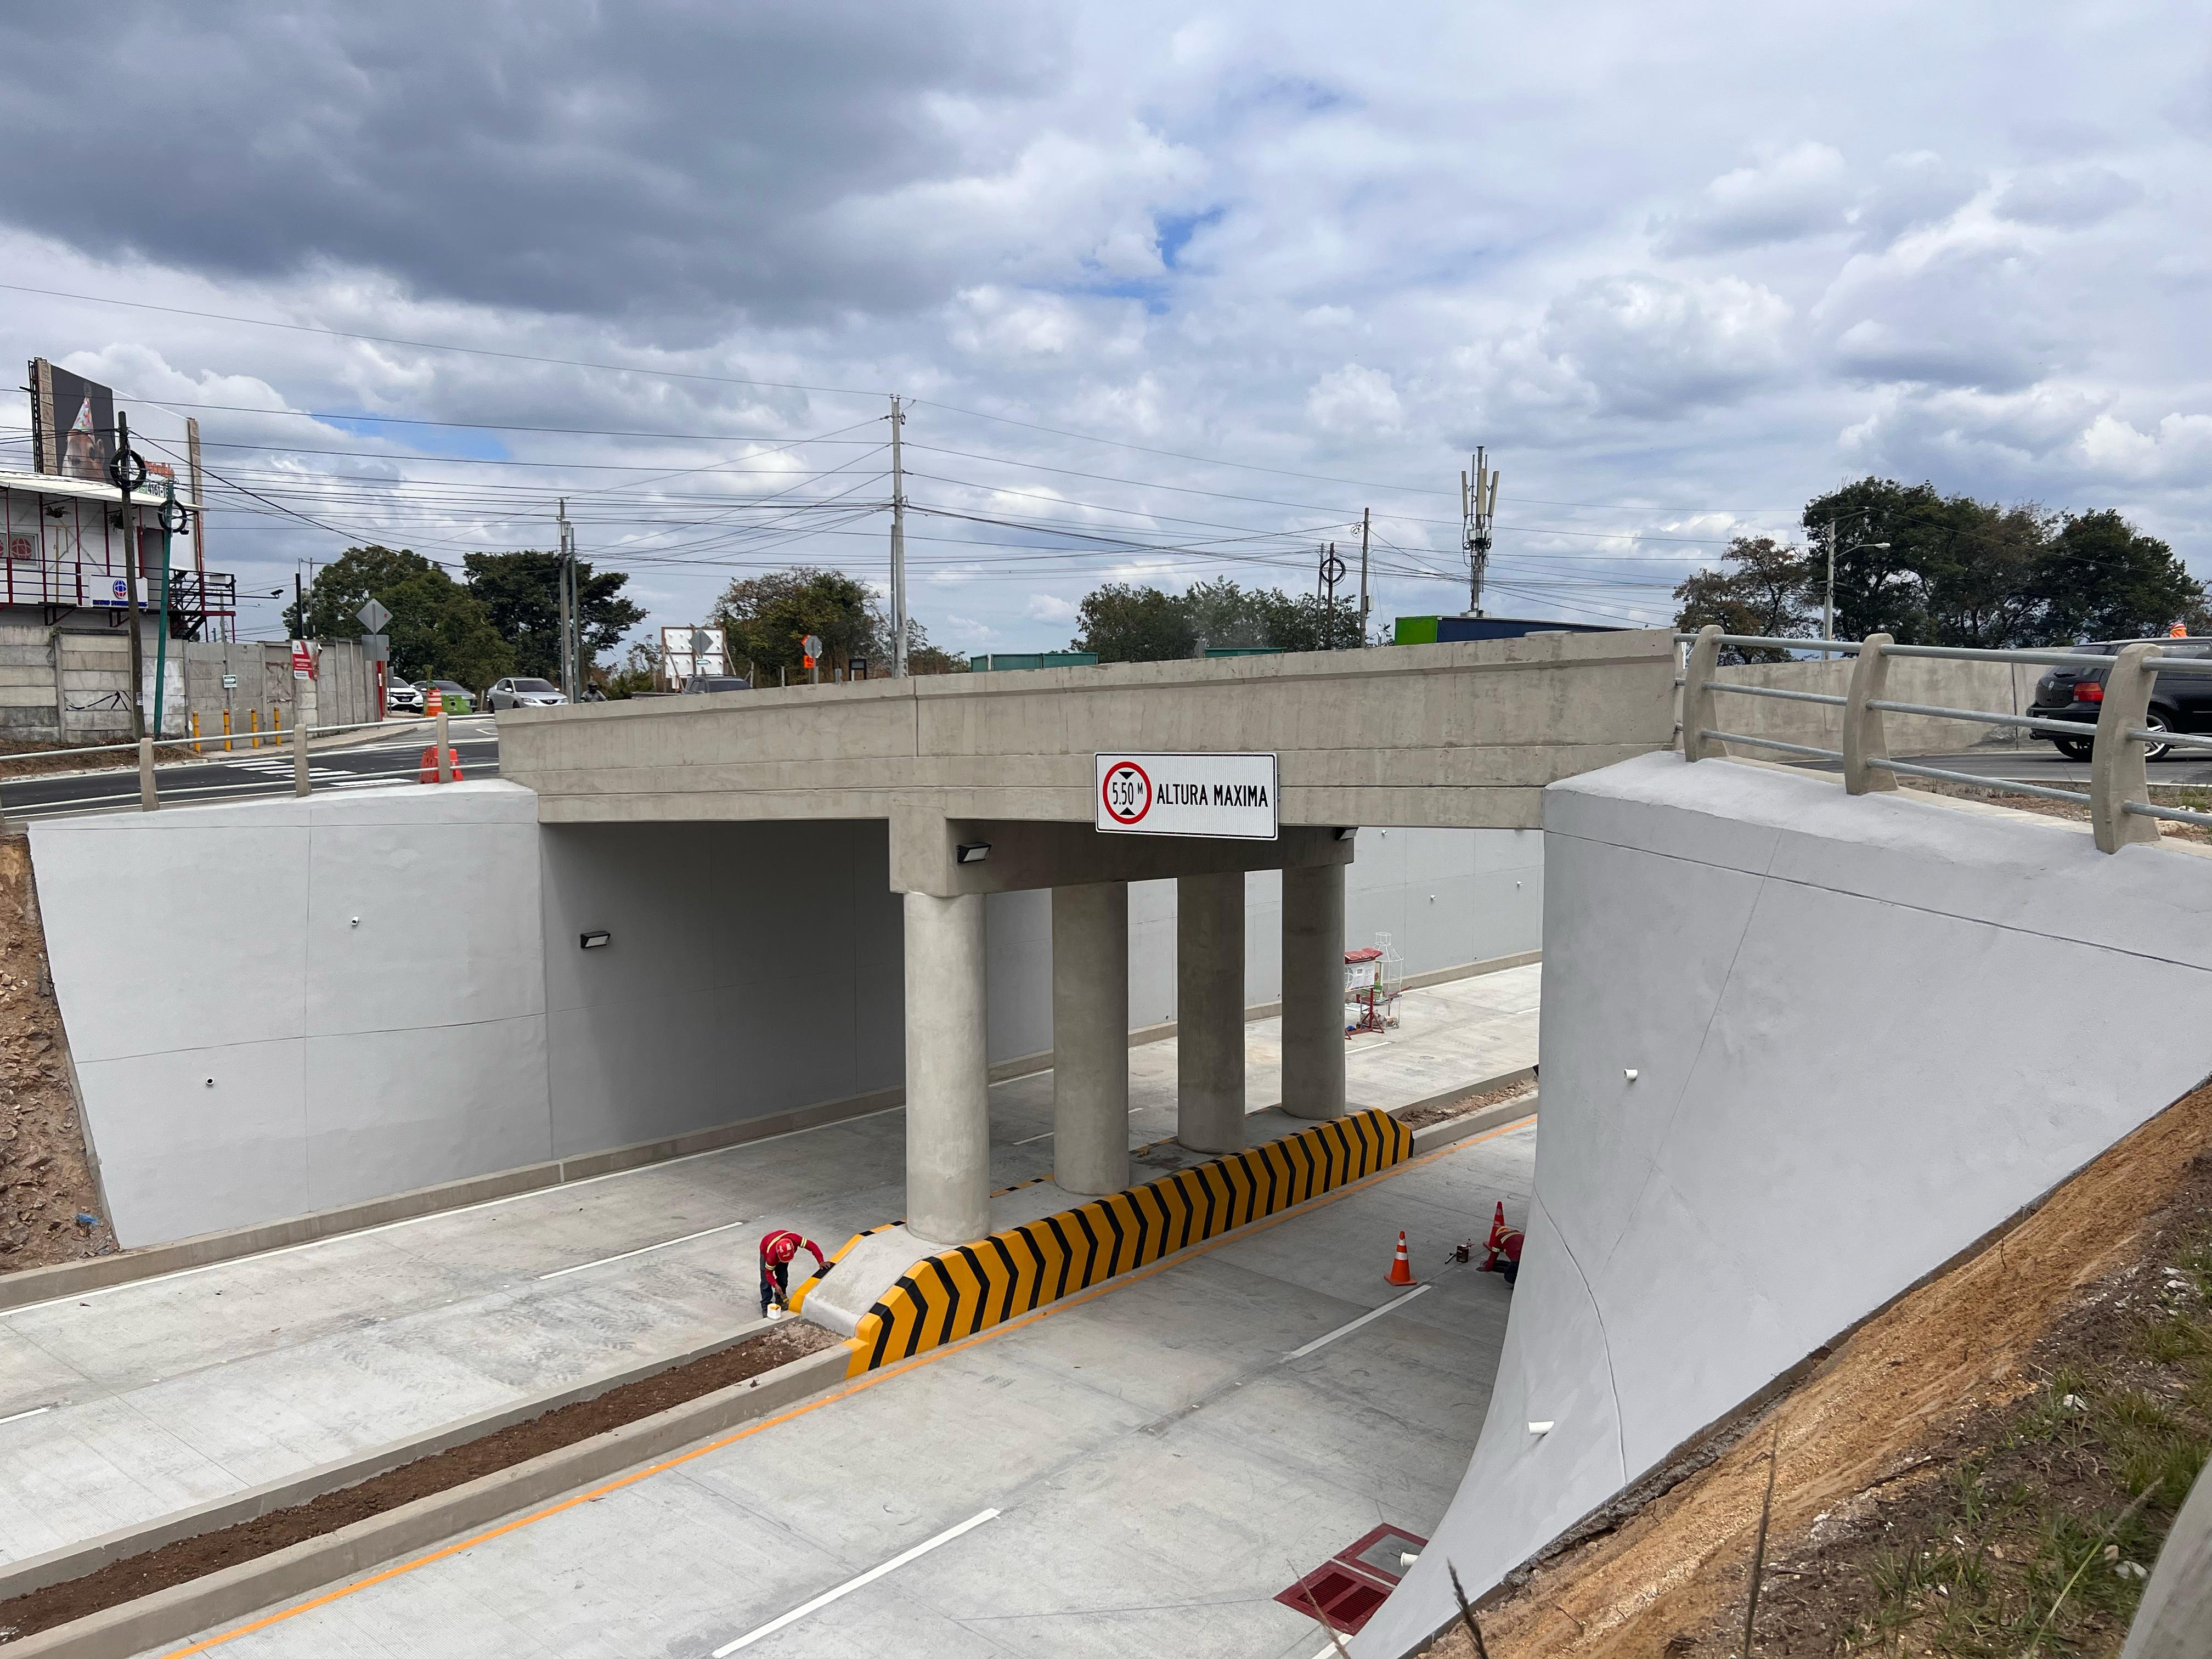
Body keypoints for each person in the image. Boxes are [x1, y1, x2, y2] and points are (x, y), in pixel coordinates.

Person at [758, 1228, 827, 1316]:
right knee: (766, 1282)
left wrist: (821, 1261)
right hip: (766, 1246)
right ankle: (766, 1305)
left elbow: (812, 1246)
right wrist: (775, 1284)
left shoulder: (796, 1239)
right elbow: (768, 1273)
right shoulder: (771, 1256)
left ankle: (780, 1298)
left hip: (782, 1249)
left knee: (783, 1277)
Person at [1479, 1200, 1523, 1286]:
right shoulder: (1517, 1233)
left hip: (1516, 1258)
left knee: (1509, 1276)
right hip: (1527, 1256)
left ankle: (1518, 1286)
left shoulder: (1499, 1237)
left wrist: (1487, 1268)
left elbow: (1494, 1255)